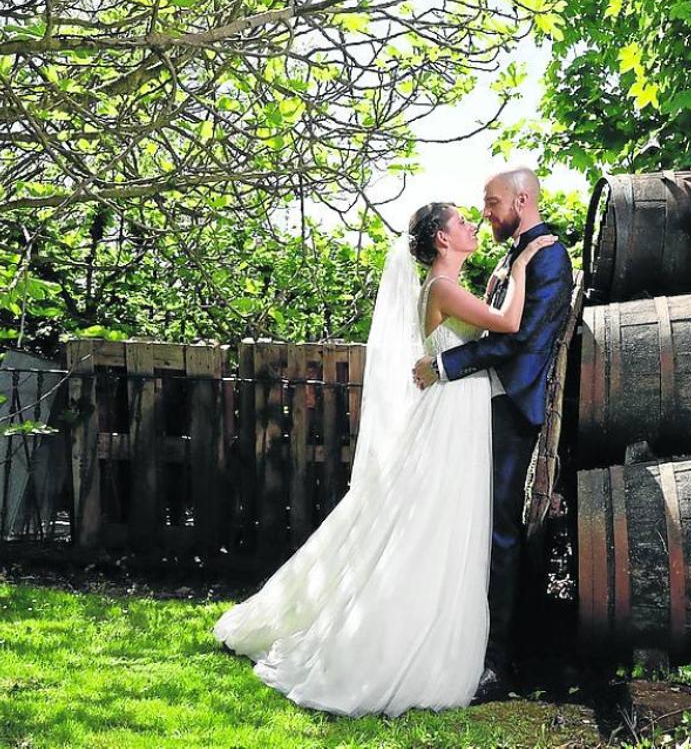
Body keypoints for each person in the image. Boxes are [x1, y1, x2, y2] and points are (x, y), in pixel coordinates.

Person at [214, 200, 557, 717]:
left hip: (460, 409)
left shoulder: (451, 288)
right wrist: (525, 264)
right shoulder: (441, 288)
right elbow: (511, 324)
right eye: (462, 222)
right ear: (442, 239)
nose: (471, 225)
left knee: (443, 525)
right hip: (451, 414)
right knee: (431, 525)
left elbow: (482, 328)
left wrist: (497, 284)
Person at [412, 167, 574, 700]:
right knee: (476, 526)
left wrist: (448, 364)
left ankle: (499, 664)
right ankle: (469, 645)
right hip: (482, 405)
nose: (484, 212)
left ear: (521, 200)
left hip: (512, 406)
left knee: (499, 528)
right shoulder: (512, 253)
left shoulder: (548, 254)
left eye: (491, 202)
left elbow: (522, 337)